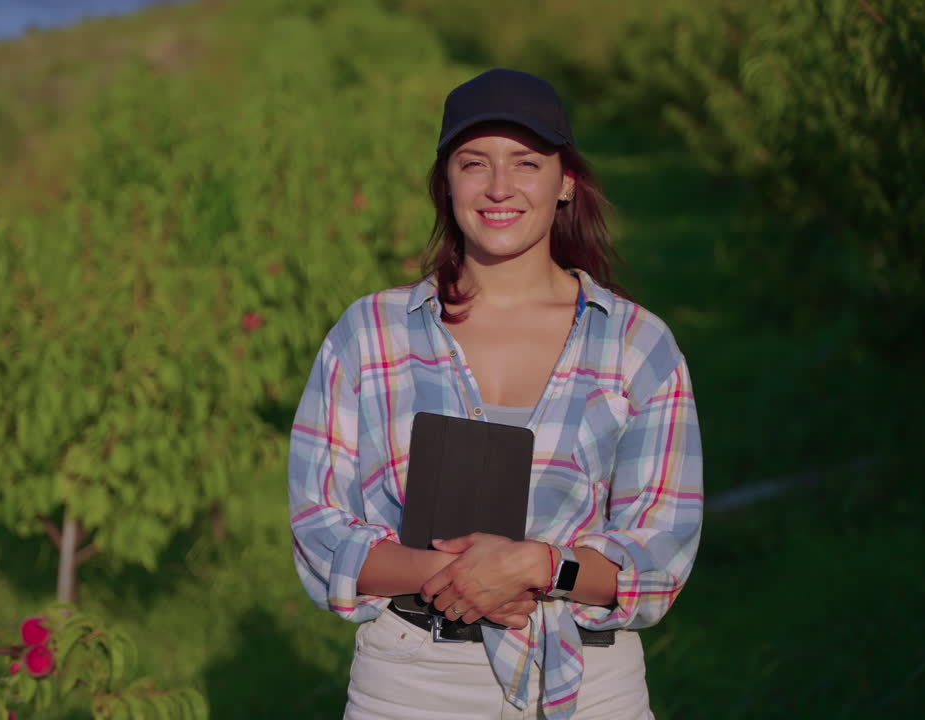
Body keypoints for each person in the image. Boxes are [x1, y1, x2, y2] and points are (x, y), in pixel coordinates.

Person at [288, 68, 703, 720]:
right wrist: (461, 577)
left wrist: (542, 566)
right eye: (473, 163)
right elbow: (319, 530)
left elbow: (659, 558)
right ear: (446, 183)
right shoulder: (369, 333)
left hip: (588, 685)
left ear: (566, 182)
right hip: (412, 685)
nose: (499, 186)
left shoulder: (638, 345)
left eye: (526, 162)